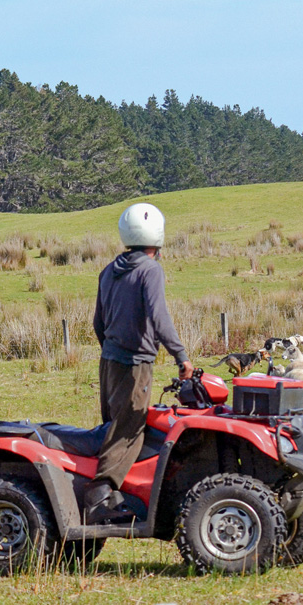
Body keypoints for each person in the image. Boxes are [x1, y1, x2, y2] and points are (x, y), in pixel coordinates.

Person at [87, 202, 194, 522]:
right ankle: (99, 497)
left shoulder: (109, 271)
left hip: (109, 362)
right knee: (128, 431)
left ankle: (117, 495)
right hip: (134, 364)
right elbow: (159, 318)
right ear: (157, 238)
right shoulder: (150, 270)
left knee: (112, 427)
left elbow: (98, 323)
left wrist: (111, 351)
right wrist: (181, 356)